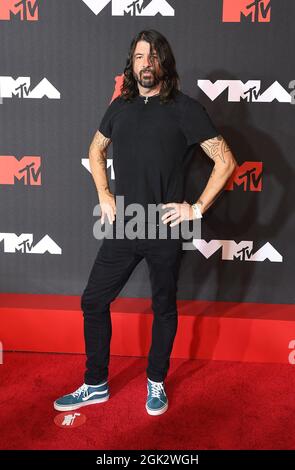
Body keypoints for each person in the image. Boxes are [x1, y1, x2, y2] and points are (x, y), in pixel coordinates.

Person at [54, 29, 237, 416]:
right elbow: (95, 148)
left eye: (153, 57)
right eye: (140, 57)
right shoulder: (120, 105)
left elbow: (225, 161)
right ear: (131, 64)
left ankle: (156, 381)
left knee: (163, 305)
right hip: (126, 224)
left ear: (164, 63)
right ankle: (96, 383)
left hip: (165, 227)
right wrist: (104, 193)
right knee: (93, 300)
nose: (146, 64)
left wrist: (197, 208)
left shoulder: (185, 108)